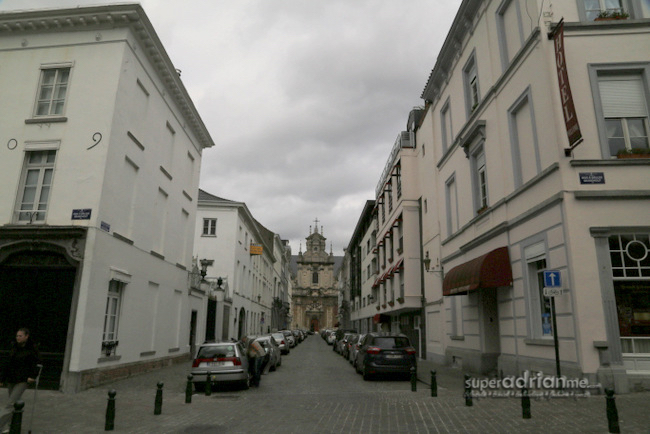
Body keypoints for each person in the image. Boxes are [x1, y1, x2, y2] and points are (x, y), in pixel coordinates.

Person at [0, 328, 41, 432]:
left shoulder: (32, 349)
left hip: (22, 380)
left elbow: (37, 364)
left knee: (10, 404)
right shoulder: (14, 347)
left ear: (26, 336)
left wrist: (33, 376)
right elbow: (7, 364)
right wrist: (2, 378)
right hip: (11, 379)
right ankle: (10, 426)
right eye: (17, 336)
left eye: (20, 336)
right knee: (13, 404)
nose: (18, 338)